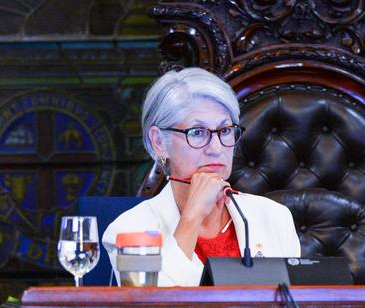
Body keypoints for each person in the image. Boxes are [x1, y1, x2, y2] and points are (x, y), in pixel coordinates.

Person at [102, 67, 301, 286]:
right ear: (159, 142)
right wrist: (192, 216)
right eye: (197, 132)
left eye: (225, 130)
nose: (216, 148)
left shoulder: (274, 217)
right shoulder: (129, 229)